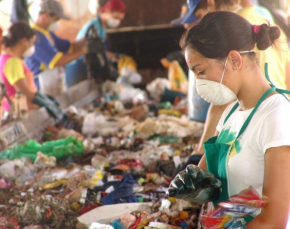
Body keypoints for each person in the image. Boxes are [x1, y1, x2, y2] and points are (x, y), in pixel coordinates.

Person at [168, 11, 290, 228]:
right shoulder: (230, 113)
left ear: (234, 59)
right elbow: (207, 178)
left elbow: (274, 221)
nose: (199, 83)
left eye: (201, 71)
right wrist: (191, 187)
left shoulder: (277, 116)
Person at [183, 0, 290, 158]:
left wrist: (199, 152)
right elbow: (287, 70)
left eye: (201, 71)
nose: (201, 23)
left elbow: (219, 105)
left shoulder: (232, 27)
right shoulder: (262, 16)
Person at [0, 22, 66, 121]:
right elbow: (24, 93)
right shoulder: (12, 62)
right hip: (19, 113)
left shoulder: (7, 58)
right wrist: (46, 103)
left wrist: (45, 99)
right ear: (24, 41)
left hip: (22, 110)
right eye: (31, 43)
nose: (31, 46)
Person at [25, 0, 88, 96]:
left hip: (52, 83)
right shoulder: (36, 38)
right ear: (46, 16)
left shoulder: (48, 34)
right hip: (41, 87)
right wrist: (84, 51)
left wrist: (87, 39)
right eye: (56, 19)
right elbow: (57, 61)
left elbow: (70, 46)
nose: (57, 23)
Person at [65, 0, 126, 87]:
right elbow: (90, 48)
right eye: (115, 17)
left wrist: (114, 56)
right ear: (107, 12)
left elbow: (99, 49)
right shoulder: (93, 27)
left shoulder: (101, 28)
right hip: (78, 66)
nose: (117, 21)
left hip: (87, 65)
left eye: (119, 19)